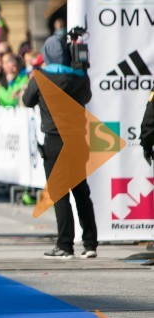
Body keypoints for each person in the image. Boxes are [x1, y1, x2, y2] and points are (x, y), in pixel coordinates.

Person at [22, 32, 98, 259]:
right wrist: (82, 70)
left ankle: (65, 245)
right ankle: (91, 243)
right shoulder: (80, 76)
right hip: (77, 139)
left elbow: (27, 101)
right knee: (81, 192)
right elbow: (88, 96)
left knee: (60, 194)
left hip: (55, 140)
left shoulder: (41, 76)